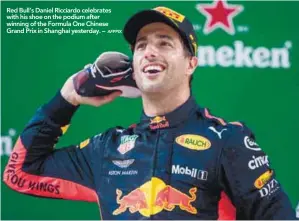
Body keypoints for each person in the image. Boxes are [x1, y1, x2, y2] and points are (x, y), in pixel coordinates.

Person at [3, 6, 297, 220]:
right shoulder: (107, 148)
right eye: (141, 46)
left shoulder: (227, 140)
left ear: (191, 64)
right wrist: (66, 98)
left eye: (164, 43)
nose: (149, 52)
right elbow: (20, 172)